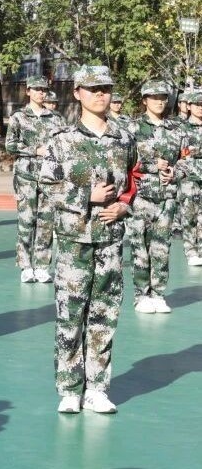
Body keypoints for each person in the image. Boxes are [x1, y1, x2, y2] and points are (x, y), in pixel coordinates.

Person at [40, 65, 137, 414]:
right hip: (74, 241)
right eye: (92, 88)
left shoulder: (125, 139)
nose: (100, 94)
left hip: (110, 240)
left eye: (105, 88)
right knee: (70, 314)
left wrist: (124, 206)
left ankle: (97, 387)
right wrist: (86, 196)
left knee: (104, 314)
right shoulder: (61, 140)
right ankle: (69, 387)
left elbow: (136, 180)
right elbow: (47, 186)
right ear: (77, 93)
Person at [126, 79, 187, 314]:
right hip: (140, 197)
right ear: (144, 100)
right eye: (154, 97)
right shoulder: (133, 129)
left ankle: (158, 294)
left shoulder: (176, 129)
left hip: (167, 197)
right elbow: (126, 161)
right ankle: (141, 295)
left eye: (163, 97)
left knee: (161, 248)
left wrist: (175, 172)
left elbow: (187, 160)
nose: (159, 101)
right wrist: (152, 165)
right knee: (140, 247)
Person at [5, 76, 65, 283]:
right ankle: (25, 265)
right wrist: (35, 150)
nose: (41, 92)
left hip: (49, 176)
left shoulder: (56, 118)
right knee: (26, 220)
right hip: (26, 175)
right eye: (37, 89)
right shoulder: (18, 117)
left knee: (46, 221)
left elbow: (63, 144)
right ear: (28, 91)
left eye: (43, 89)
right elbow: (10, 145)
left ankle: (42, 266)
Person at [179, 91, 202, 266]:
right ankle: (191, 250)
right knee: (189, 214)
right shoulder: (182, 129)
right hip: (189, 177)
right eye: (197, 105)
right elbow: (181, 153)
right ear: (189, 106)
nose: (200, 108)